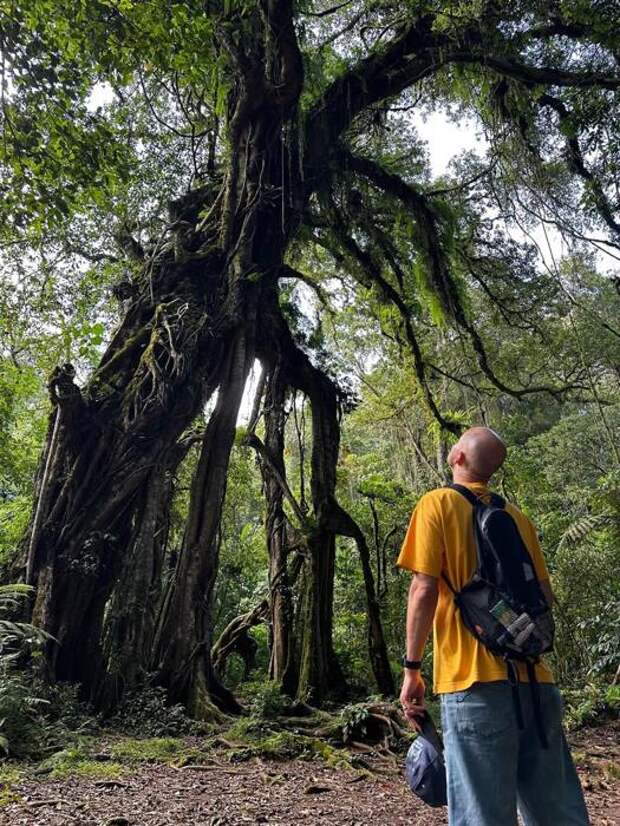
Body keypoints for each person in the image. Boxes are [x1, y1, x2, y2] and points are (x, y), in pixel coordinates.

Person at [397, 426, 589, 826]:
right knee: (556, 810)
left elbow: (423, 589)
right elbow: (544, 598)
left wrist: (412, 669)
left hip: (474, 685)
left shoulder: (437, 504)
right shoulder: (517, 518)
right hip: (537, 683)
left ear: (458, 458)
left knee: (482, 813)